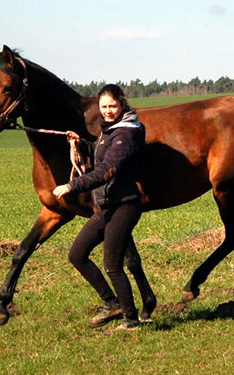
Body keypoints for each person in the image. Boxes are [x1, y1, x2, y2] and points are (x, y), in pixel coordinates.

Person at [53, 84, 146, 332]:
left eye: (112, 106)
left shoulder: (125, 134)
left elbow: (107, 170)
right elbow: (101, 154)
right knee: (77, 254)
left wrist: (71, 186)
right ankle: (111, 303)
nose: (107, 111)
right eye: (104, 106)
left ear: (122, 105)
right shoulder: (110, 132)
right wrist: (82, 144)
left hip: (124, 206)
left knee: (112, 265)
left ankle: (131, 320)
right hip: (107, 206)